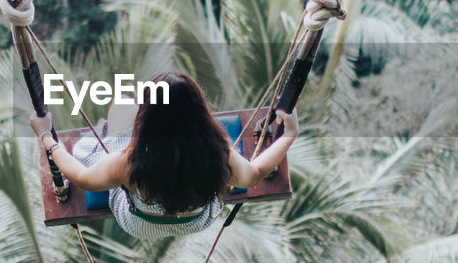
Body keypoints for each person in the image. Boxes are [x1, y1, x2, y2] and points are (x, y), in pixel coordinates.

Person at [29, 71, 298, 239]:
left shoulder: (129, 163)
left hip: (139, 224)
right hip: (196, 221)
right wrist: (288, 135)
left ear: (146, 117)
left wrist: (47, 139)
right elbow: (254, 175)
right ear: (199, 111)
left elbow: (83, 179)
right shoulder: (217, 154)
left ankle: (116, 125)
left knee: (115, 114)